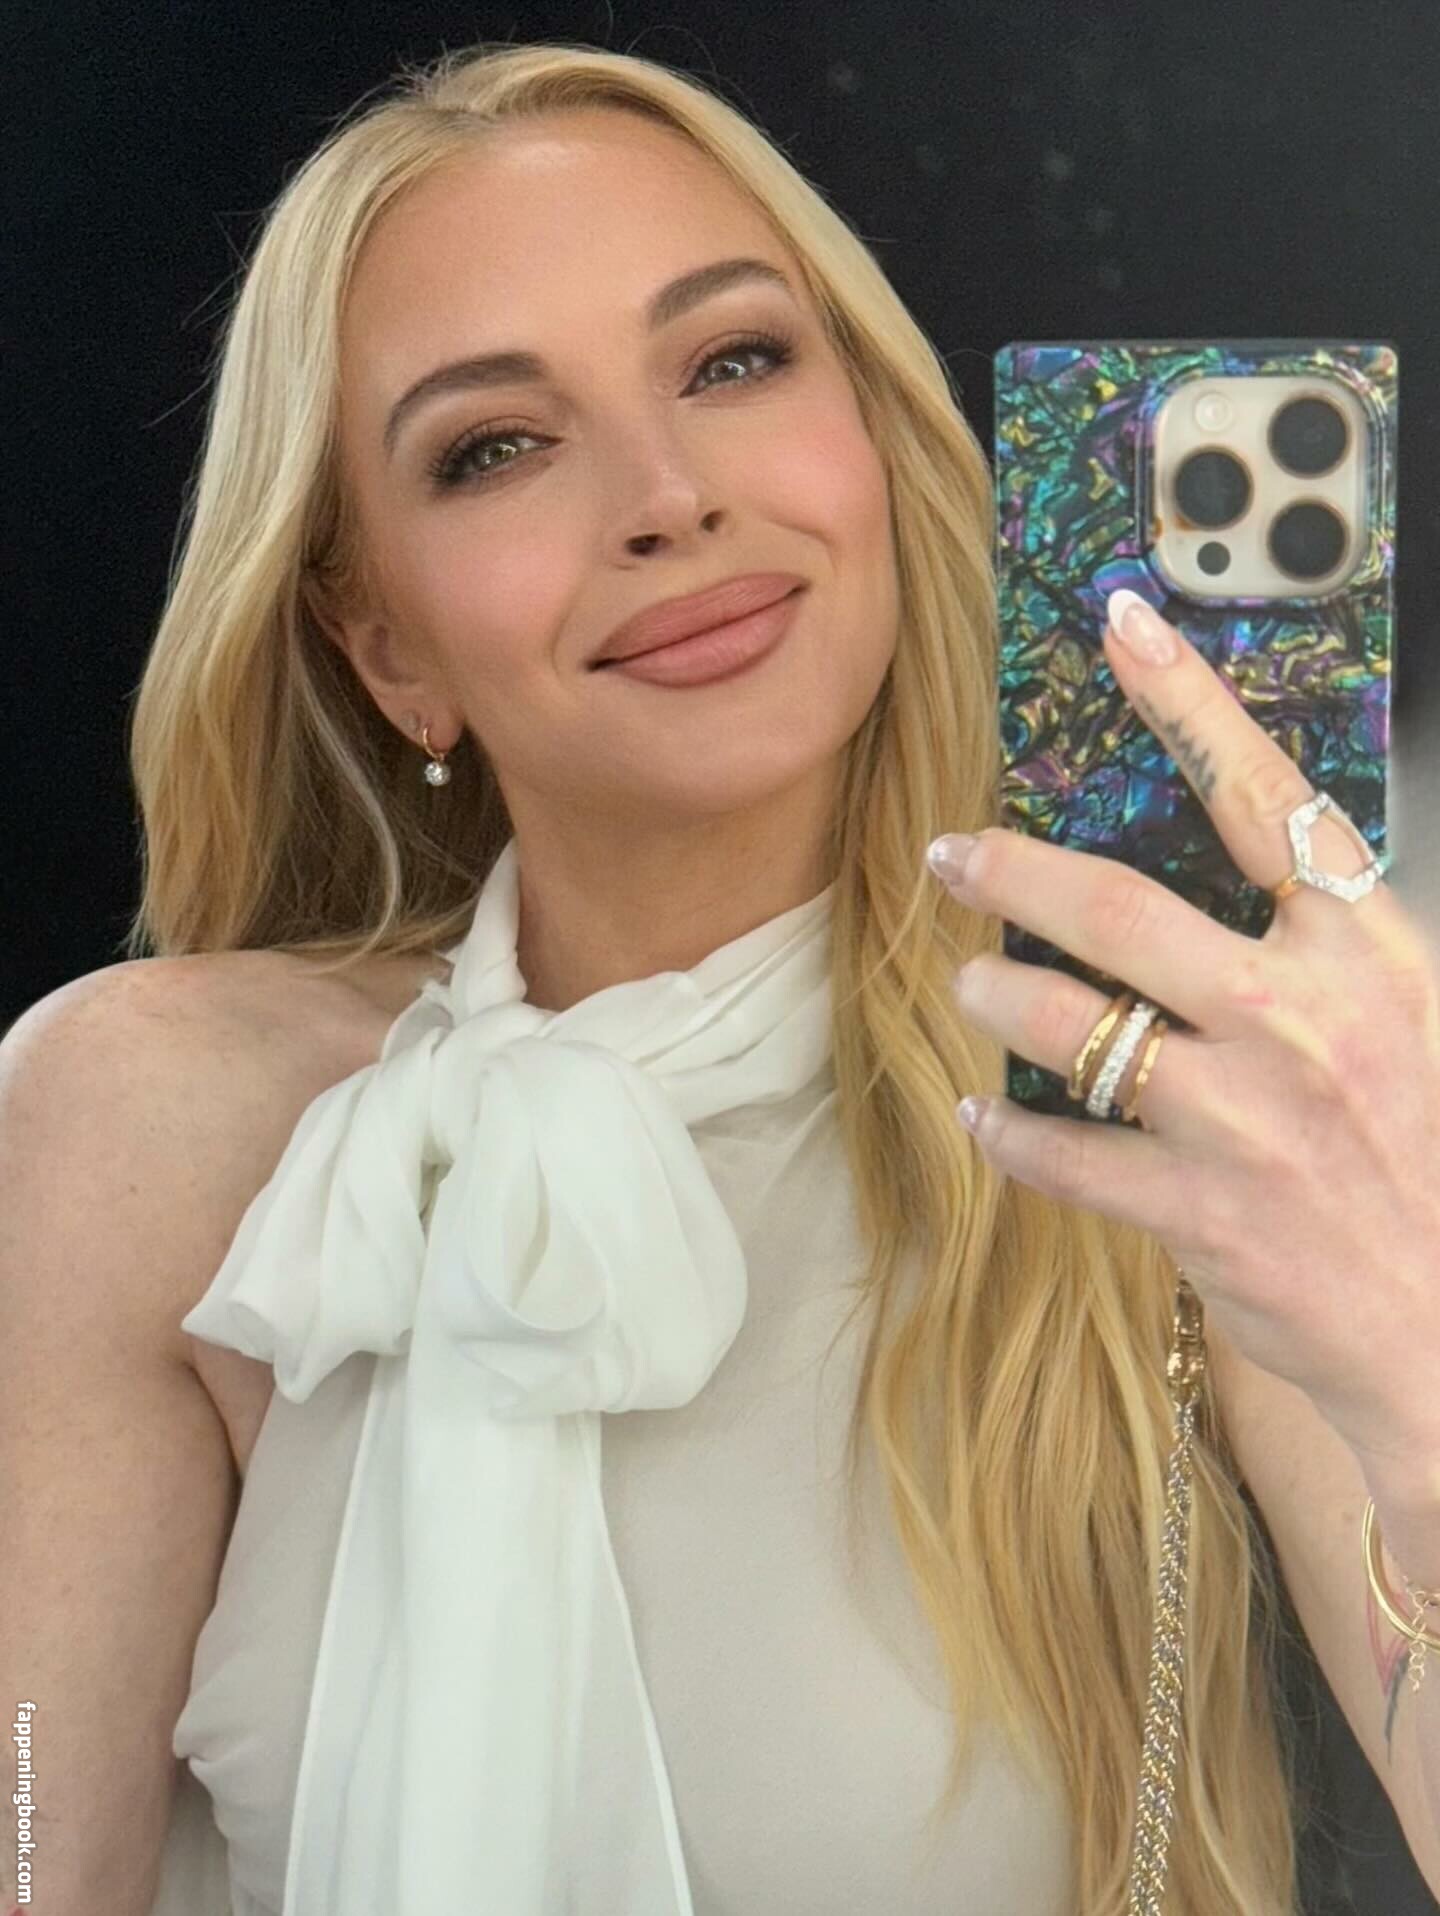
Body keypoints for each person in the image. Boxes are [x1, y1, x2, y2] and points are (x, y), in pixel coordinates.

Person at [1, 40, 1322, 1916]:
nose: (667, 495)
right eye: (496, 448)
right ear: (387, 650)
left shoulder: (1152, 1066)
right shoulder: (155, 1121)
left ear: (871, 435)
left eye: (732, 362)